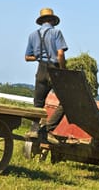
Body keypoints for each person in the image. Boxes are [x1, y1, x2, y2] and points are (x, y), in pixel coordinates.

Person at [24, 8, 68, 144]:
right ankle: (47, 129)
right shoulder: (56, 33)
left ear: (42, 21)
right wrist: (63, 70)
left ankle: (34, 129)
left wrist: (38, 56)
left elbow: (27, 57)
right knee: (65, 102)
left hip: (41, 69)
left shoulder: (32, 35)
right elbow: (60, 54)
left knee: (38, 103)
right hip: (54, 70)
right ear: (52, 21)